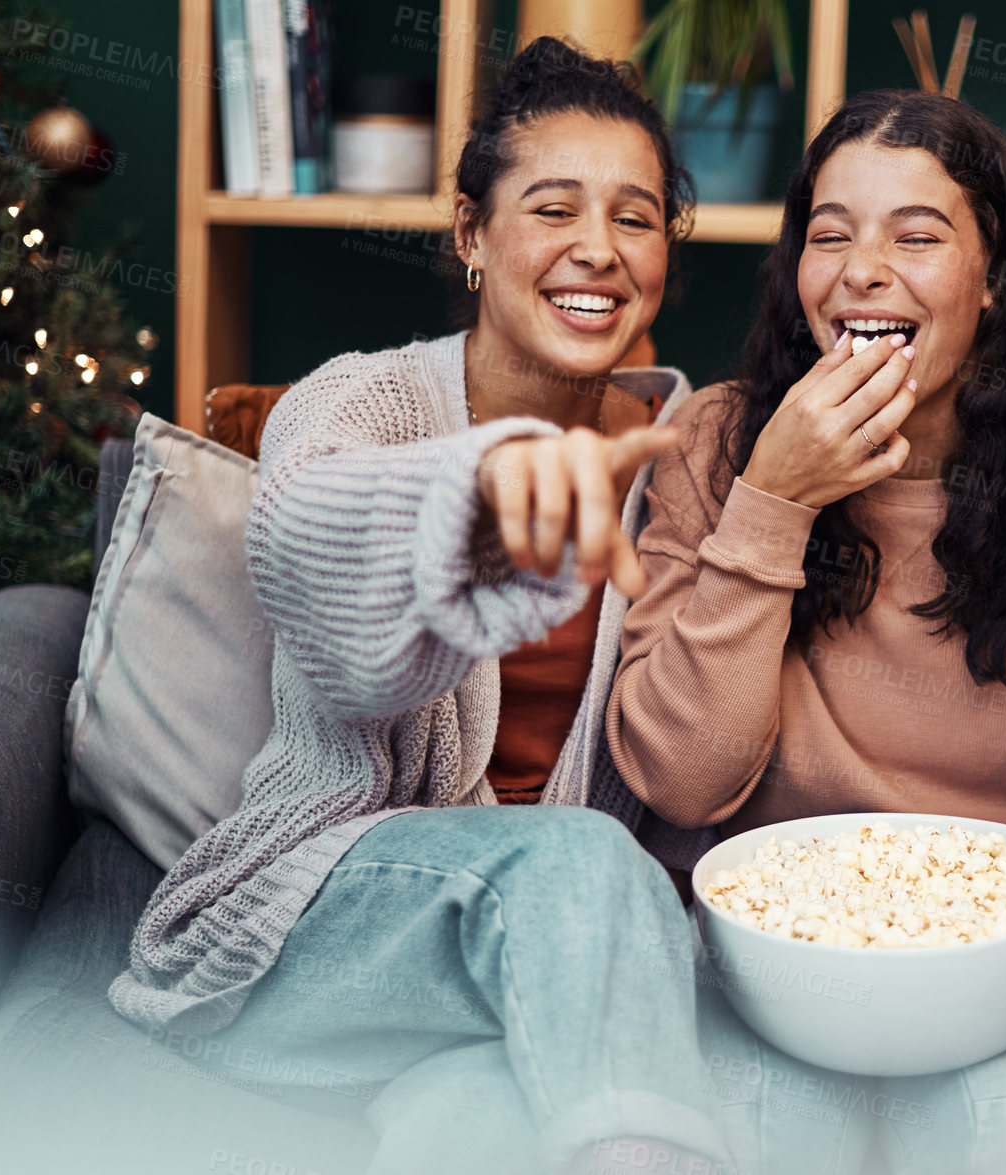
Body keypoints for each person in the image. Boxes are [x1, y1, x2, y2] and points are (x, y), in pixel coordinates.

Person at [107, 38, 732, 1175]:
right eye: (553, 207)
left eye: (635, 217)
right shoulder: (357, 401)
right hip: (314, 935)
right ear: (469, 232)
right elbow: (310, 551)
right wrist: (483, 492)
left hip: (557, 968)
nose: (598, 247)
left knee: (485, 1114)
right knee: (575, 857)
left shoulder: (688, 455)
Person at [605, 90, 1006, 1175]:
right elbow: (681, 782)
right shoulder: (717, 440)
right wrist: (774, 501)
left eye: (915, 236)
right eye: (828, 235)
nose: (861, 270)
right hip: (755, 973)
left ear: (989, 279)